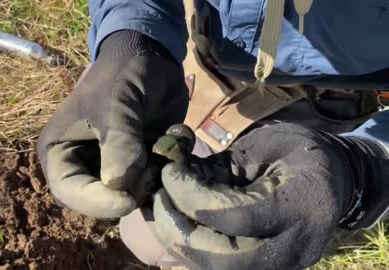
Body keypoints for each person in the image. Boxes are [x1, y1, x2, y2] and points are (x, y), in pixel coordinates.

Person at [37, 0, 389, 269]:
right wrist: (131, 36)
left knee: (209, 244)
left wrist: (366, 168)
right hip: (198, 40)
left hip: (340, 88)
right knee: (151, 228)